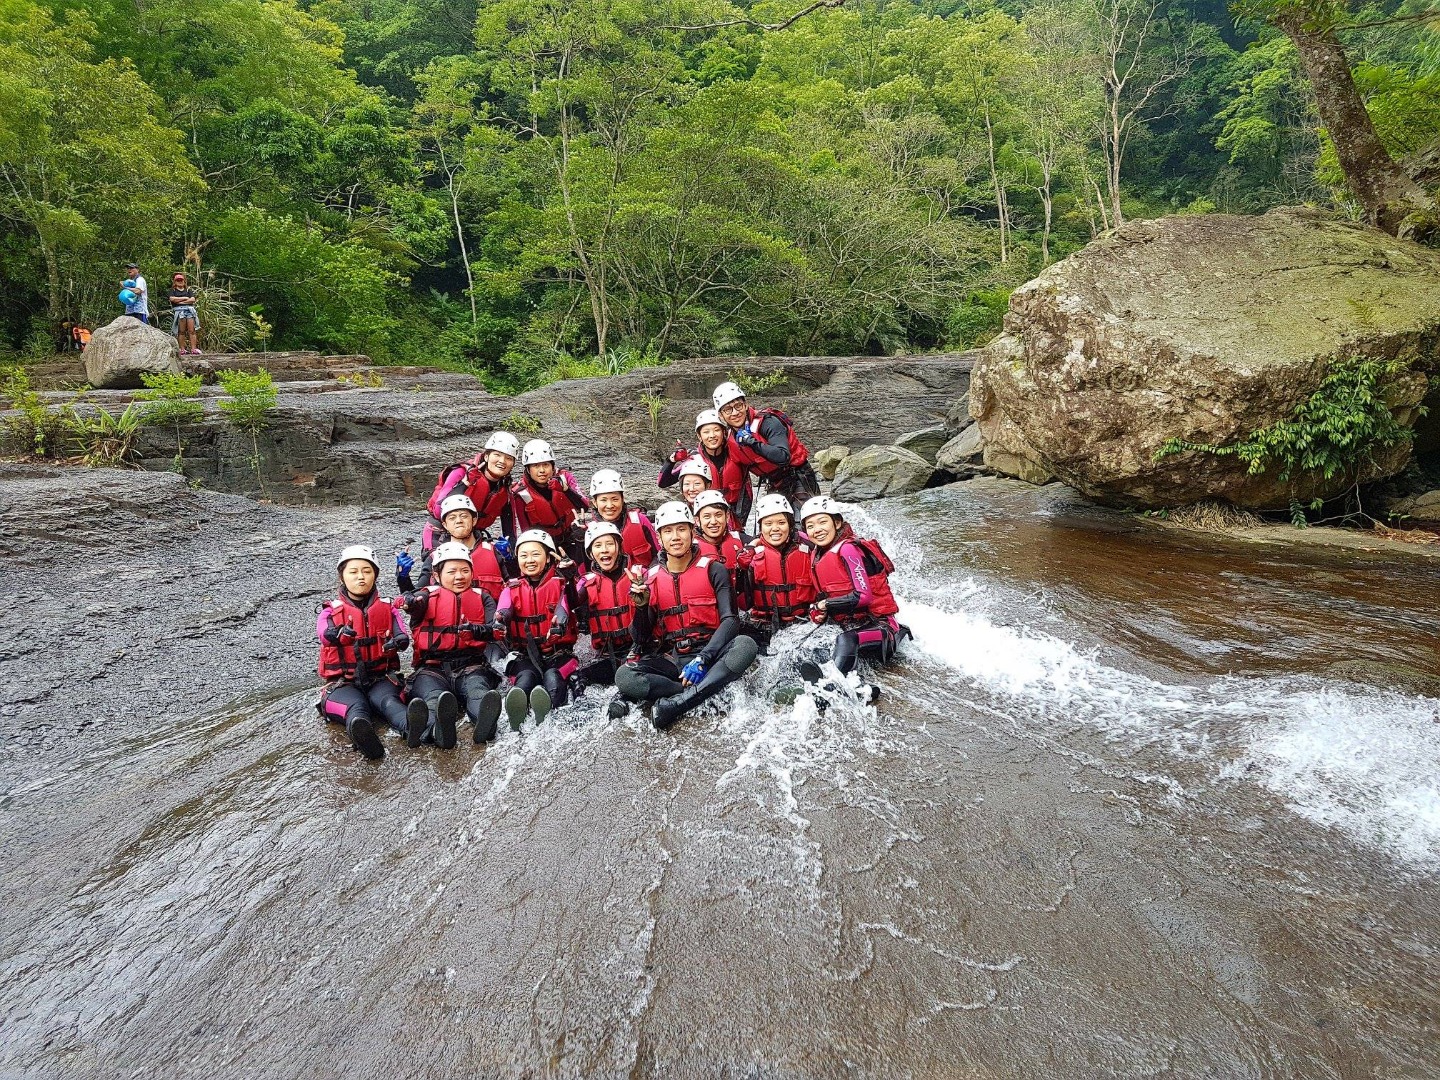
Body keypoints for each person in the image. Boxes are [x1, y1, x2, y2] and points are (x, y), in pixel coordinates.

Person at [614, 501, 759, 729]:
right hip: (675, 660)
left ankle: (678, 703)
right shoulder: (650, 579)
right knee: (624, 676)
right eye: (668, 531)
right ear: (659, 538)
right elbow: (640, 638)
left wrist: (704, 658)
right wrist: (641, 607)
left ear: (692, 532)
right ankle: (696, 692)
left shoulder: (715, 569)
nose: (675, 537)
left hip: (713, 654)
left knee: (745, 645)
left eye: (681, 529)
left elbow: (731, 621)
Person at [798, 495, 908, 704]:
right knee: (813, 643)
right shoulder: (818, 553)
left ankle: (828, 689)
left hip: (882, 627)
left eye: (822, 522)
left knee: (847, 640)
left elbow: (863, 597)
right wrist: (818, 611)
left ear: (837, 523)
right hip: (852, 624)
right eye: (810, 526)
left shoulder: (848, 549)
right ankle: (861, 689)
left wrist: (826, 604)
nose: (817, 529)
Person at [398, 542, 504, 746]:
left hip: (470, 666)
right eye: (452, 571)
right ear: (437, 575)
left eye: (465, 570)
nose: (459, 576)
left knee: (478, 692)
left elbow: (496, 631)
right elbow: (413, 604)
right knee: (433, 699)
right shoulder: (425, 596)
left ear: (472, 572)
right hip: (431, 669)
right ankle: (437, 730)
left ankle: (485, 725)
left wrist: (474, 630)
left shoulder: (483, 597)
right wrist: (406, 593)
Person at [316, 545, 412, 760]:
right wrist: (339, 633)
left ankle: (413, 729)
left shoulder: (388, 608)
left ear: (375, 575)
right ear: (342, 577)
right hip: (342, 684)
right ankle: (364, 738)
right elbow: (324, 634)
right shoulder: (330, 611)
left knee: (390, 703)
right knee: (356, 708)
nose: (361, 577)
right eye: (353, 572)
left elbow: (402, 636)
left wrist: (396, 643)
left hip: (380, 679)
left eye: (367, 571)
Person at [494, 529, 581, 729]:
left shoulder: (562, 584)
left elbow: (566, 606)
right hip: (525, 656)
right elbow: (504, 610)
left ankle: (549, 716)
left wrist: (559, 625)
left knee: (553, 677)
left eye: (535, 554)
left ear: (548, 557)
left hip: (559, 654)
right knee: (525, 679)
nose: (529, 560)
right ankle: (517, 715)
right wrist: (499, 622)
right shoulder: (511, 588)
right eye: (524, 555)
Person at [711, 381, 817, 508]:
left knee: (804, 516)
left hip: (798, 476)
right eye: (728, 410)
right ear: (721, 415)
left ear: (746, 405)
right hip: (774, 483)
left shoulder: (768, 422)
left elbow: (783, 456)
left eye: (738, 406)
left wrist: (751, 442)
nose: (735, 413)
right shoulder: (729, 439)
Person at [575, 520, 646, 692]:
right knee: (577, 679)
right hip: (607, 655)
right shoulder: (586, 582)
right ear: (591, 553)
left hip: (639, 652)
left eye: (609, 544)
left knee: (631, 678)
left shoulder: (640, 574)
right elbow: (570, 603)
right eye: (598, 545)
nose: (604, 549)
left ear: (619, 547)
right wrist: (569, 580)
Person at [422, 431, 519, 555]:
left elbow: (510, 532)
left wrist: (511, 554)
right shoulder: (461, 472)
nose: (502, 461)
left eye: (508, 458)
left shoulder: (505, 489)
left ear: (513, 464)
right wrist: (465, 484)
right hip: (441, 532)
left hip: (472, 536)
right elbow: (438, 510)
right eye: (497, 455)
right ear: (486, 456)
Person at [742, 493, 819, 647]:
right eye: (768, 523)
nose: (775, 528)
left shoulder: (809, 549)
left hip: (803, 623)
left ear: (790, 525)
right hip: (763, 626)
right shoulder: (750, 555)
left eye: (781, 522)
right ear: (761, 527)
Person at [399, 493, 506, 600]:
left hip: (491, 610)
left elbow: (513, 585)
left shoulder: (494, 551)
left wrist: (510, 561)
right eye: (452, 518)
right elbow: (415, 599)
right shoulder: (435, 558)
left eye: (464, 516)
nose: (459, 521)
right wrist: (403, 577)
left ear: (474, 520)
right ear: (445, 525)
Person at [658, 409, 753, 525]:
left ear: (724, 432)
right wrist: (671, 461)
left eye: (716, 430)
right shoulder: (695, 460)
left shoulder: (738, 452)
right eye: (706, 432)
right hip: (707, 517)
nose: (712, 435)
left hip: (736, 514)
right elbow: (663, 482)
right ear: (699, 436)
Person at [511, 439, 590, 564]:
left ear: (553, 466)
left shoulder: (565, 478)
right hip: (545, 543)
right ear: (528, 469)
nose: (542, 470)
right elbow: (526, 529)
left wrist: (566, 490)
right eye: (536, 466)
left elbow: (584, 506)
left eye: (546, 465)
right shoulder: (520, 493)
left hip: (572, 534)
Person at [588, 469, 659, 569]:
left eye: (615, 499)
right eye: (603, 500)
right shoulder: (589, 530)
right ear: (595, 503)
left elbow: (659, 555)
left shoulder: (641, 521)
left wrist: (647, 575)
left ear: (622, 499)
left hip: (644, 577)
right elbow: (584, 570)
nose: (609, 505)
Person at [693, 488, 747, 573]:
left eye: (718, 515)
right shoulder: (691, 550)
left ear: (727, 516)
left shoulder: (742, 540)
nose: (713, 522)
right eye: (707, 516)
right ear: (697, 521)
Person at [168, 272, 201, 356]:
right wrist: (185, 298)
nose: (180, 281)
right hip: (179, 312)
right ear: (175, 282)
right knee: (181, 331)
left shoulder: (188, 290)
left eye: (181, 280)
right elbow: (172, 299)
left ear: (184, 281)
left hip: (189, 311)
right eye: (178, 280)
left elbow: (192, 299)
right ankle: (182, 349)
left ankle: (193, 349)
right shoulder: (173, 291)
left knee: (192, 330)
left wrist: (179, 301)